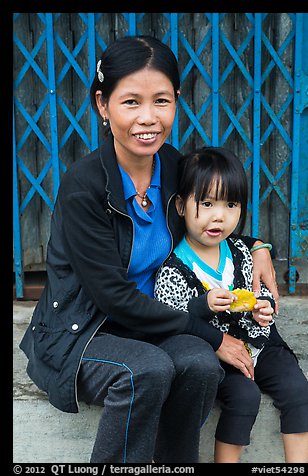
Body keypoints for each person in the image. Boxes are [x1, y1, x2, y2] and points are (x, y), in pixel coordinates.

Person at [20, 35, 279, 464]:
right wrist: (214, 335)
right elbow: (113, 298)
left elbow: (210, 221)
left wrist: (259, 246)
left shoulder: (177, 168)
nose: (148, 118)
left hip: (153, 324)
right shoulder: (84, 187)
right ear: (103, 105)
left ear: (176, 101)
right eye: (130, 102)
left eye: (161, 101)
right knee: (147, 369)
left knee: (198, 366)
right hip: (86, 332)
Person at [154, 146, 308, 463]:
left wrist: (263, 307)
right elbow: (171, 318)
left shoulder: (242, 250)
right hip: (220, 355)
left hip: (261, 344)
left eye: (231, 204)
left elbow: (261, 291)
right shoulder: (173, 268)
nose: (219, 216)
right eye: (207, 203)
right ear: (181, 206)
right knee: (244, 397)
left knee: (299, 393)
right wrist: (203, 305)